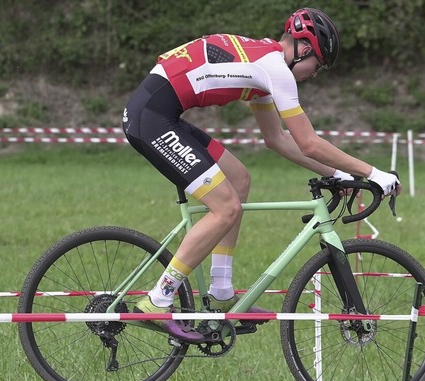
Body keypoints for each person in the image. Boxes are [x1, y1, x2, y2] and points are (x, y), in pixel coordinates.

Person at [122, 7, 401, 342]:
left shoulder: (265, 64)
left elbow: (278, 140)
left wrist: (339, 174)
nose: (316, 73)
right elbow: (309, 143)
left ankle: (222, 292)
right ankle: (158, 300)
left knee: (239, 179)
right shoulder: (274, 69)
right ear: (305, 49)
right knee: (226, 208)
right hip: (152, 117)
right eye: (319, 64)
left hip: (159, 112)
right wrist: (374, 173)